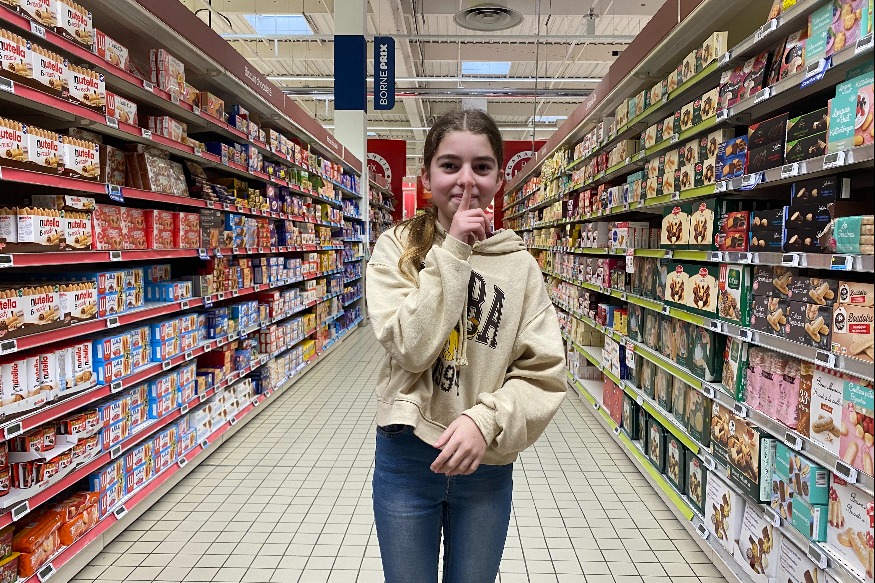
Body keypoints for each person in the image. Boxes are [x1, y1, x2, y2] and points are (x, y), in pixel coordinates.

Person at [365, 108, 567, 583]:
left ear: (499, 177)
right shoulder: (396, 249)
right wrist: (454, 249)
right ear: (426, 176)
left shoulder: (520, 268)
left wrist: (486, 420)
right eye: (450, 165)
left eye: (482, 166)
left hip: (486, 464)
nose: (466, 180)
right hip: (407, 456)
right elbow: (410, 346)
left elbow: (544, 374)